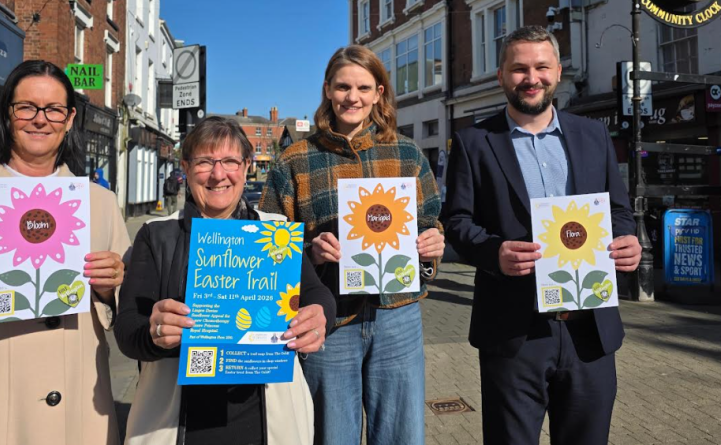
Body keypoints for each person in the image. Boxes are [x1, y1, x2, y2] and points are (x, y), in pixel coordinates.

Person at [441, 26, 642, 445]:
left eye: (541, 67)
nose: (531, 78)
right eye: (519, 69)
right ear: (501, 75)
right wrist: (494, 252)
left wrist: (628, 240)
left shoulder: (593, 135)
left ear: (558, 72)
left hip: (590, 329)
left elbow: (618, 210)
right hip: (515, 332)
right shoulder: (474, 141)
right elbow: (456, 221)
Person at [0, 60, 130, 444]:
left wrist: (109, 289)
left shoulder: (100, 204)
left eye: (53, 109)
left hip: (79, 412)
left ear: (69, 119)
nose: (40, 119)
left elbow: (126, 312)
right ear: (7, 113)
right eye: (27, 107)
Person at [259, 45, 445, 445]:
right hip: (330, 320)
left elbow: (430, 223)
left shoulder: (408, 153)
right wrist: (310, 252)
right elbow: (269, 245)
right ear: (328, 89)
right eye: (343, 87)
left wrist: (432, 247)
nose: (352, 97)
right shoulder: (295, 160)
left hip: (397, 316)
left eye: (363, 88)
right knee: (332, 435)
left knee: (401, 435)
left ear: (379, 93)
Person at [114, 116, 336, 445]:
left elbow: (317, 292)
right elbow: (127, 327)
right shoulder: (156, 235)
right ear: (186, 168)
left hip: (268, 421)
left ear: (246, 167)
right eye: (205, 161)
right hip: (177, 427)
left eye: (230, 161)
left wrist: (320, 315)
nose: (218, 174)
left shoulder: (276, 231)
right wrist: (153, 332)